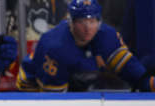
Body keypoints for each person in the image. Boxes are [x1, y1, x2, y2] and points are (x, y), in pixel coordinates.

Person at [16, 0, 155, 92]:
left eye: (93, 21)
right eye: (82, 21)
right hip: (32, 85)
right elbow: (53, 100)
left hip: (77, 79)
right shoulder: (55, 46)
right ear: (70, 22)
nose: (88, 28)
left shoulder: (108, 36)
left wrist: (149, 83)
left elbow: (135, 75)